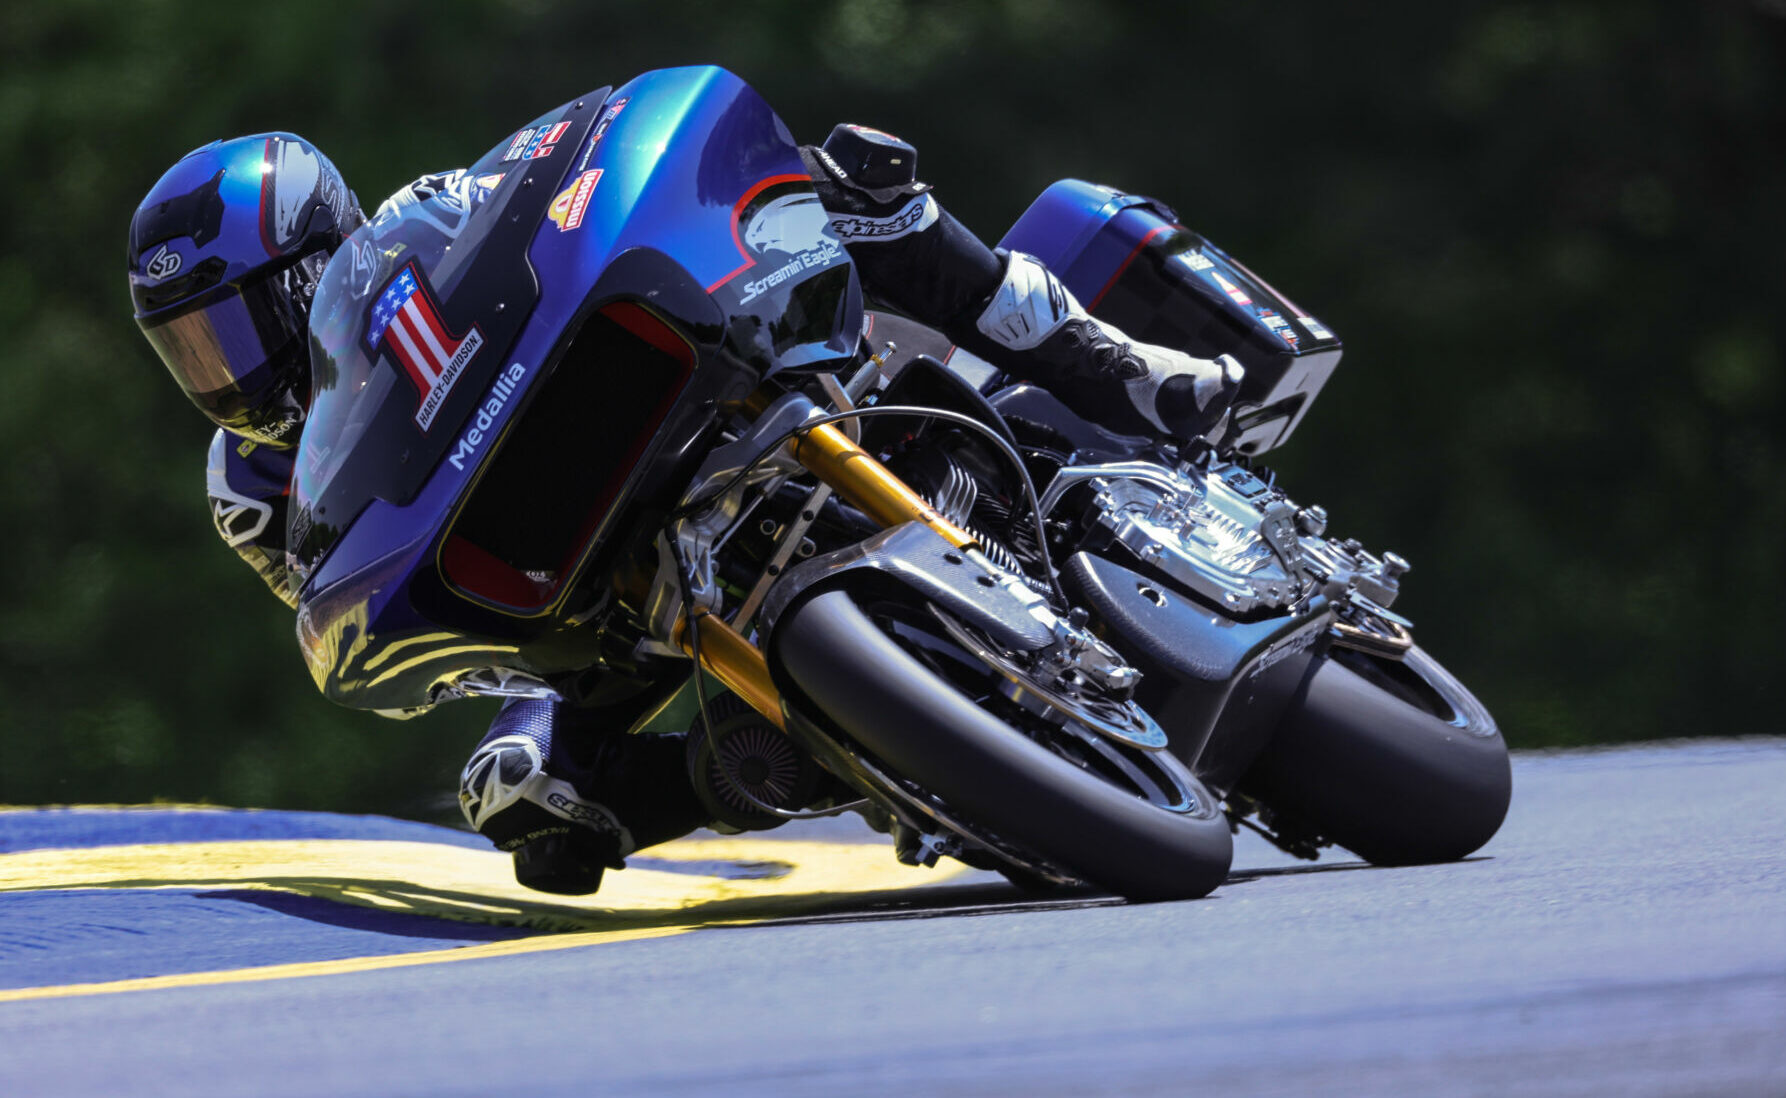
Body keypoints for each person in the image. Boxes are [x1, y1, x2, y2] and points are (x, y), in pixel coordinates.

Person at [128, 119, 1243, 896]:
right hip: (572, 602)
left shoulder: (431, 218)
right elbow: (367, 615)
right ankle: (770, 757)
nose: (227, 370)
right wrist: (505, 693)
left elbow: (573, 200)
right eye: (192, 350)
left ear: (318, 252)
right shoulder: (246, 485)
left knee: (848, 178)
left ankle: (1112, 363)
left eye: (237, 323)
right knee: (525, 799)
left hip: (650, 410)